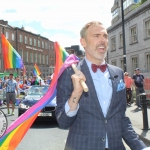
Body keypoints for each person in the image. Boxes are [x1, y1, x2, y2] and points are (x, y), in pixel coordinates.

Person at [55, 21, 147, 150]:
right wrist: (76, 93)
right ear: (83, 42)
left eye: (105, 36)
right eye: (96, 36)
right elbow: (63, 122)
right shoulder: (70, 73)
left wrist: (141, 147)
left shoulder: (118, 73)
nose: (102, 40)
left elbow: (121, 119)